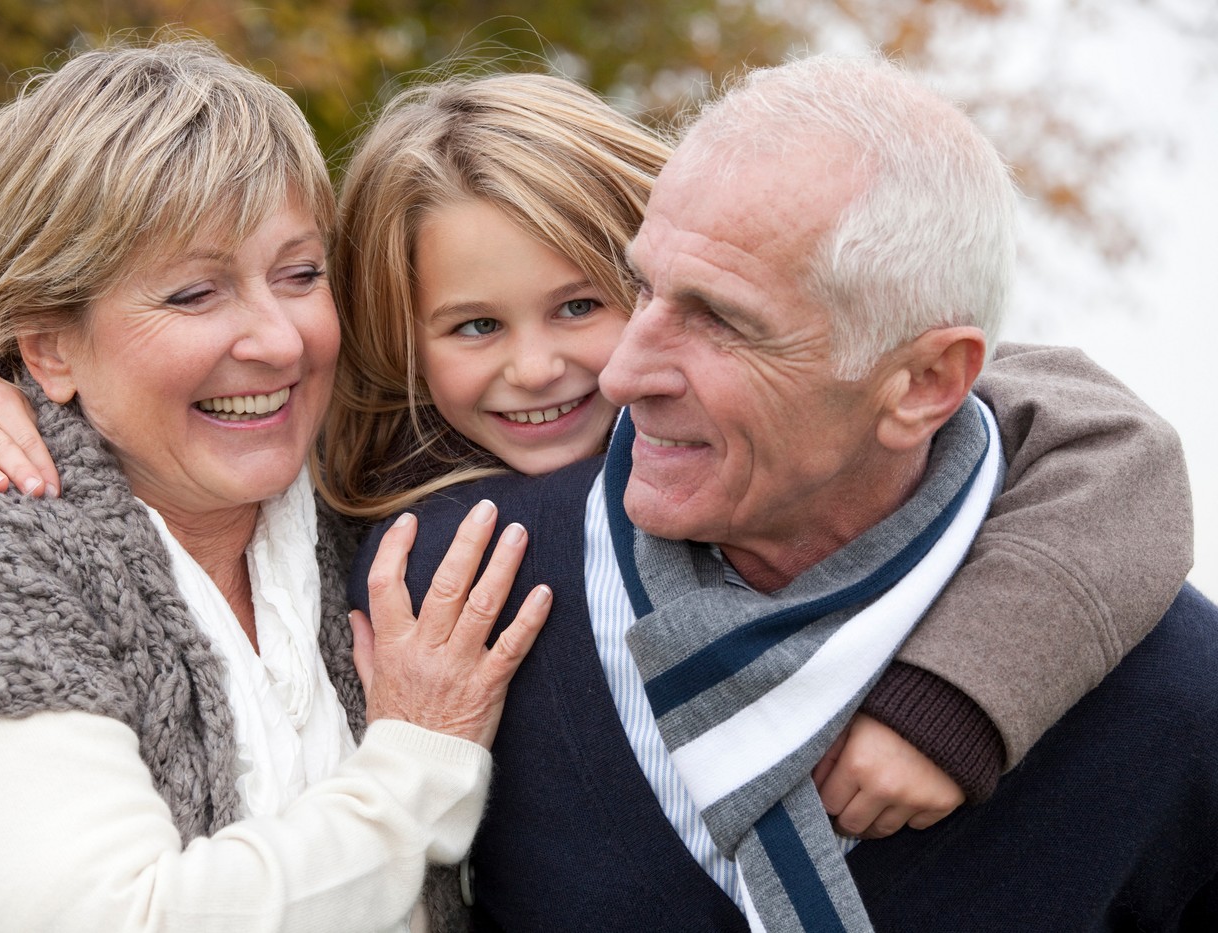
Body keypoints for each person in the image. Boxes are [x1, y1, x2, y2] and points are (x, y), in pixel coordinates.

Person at [0, 66, 1198, 927]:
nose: (561, 366)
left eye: (589, 301)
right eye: (471, 328)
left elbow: (1080, 431)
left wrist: (963, 692)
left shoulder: (336, 495)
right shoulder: (393, 523)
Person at [348, 54, 1215, 930]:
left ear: (920, 384)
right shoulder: (435, 598)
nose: (618, 371)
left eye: (721, 318)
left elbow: (1090, 430)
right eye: (645, 286)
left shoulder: (1165, 685)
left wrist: (961, 694)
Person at [0, 38, 555, 933]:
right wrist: (420, 761)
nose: (280, 341)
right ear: (50, 345)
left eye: (300, 275)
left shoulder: (353, 498)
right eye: (194, 294)